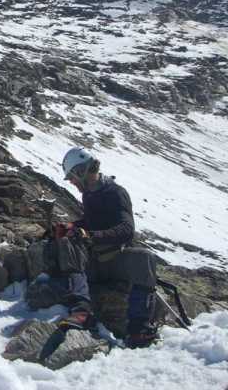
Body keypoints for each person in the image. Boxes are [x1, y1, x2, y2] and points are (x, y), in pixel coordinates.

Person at [56, 147, 159, 348]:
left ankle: (139, 328)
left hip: (116, 261)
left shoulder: (116, 193)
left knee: (144, 258)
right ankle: (81, 310)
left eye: (72, 177)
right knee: (69, 244)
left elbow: (127, 230)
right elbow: (93, 221)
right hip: (96, 262)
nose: (72, 182)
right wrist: (74, 227)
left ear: (81, 172)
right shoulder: (89, 195)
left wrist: (92, 236)